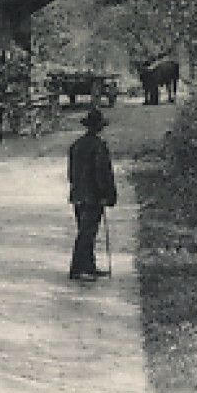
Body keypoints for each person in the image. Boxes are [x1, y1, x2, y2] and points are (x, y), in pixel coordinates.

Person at [67, 108, 117, 281]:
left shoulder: (76, 145)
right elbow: (102, 173)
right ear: (99, 128)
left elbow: (71, 173)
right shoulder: (99, 147)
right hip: (92, 196)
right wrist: (107, 194)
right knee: (87, 232)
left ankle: (88, 266)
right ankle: (77, 269)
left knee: (84, 230)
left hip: (78, 194)